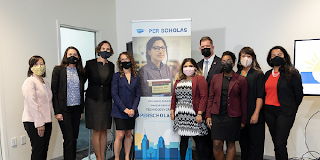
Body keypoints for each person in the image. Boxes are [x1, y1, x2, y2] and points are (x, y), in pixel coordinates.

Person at [206, 51, 247, 160]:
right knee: (216, 144)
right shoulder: (215, 78)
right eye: (223, 61)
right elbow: (211, 97)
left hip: (233, 116)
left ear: (233, 63)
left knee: (230, 143)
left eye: (228, 61)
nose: (225, 63)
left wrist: (243, 120)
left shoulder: (241, 79)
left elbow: (243, 101)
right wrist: (208, 116)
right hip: (217, 115)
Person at [264, 46, 303, 160]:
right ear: (270, 58)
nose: (276, 57)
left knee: (280, 143)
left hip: (284, 112)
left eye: (279, 54)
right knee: (276, 143)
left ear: (285, 56)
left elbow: (299, 95)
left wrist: (291, 110)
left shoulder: (292, 73)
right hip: (269, 112)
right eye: (273, 55)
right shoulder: (267, 74)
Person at [51, 46, 86, 160]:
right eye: (70, 54)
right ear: (66, 56)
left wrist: (81, 110)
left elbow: (81, 91)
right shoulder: (58, 70)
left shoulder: (80, 72)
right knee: (68, 138)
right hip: (64, 110)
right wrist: (57, 111)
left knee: (74, 138)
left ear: (78, 57)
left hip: (76, 109)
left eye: (75, 54)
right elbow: (54, 92)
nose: (72, 56)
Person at [171, 58, 208, 160]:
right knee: (183, 139)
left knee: (199, 140)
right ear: (182, 68)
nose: (188, 68)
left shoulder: (199, 79)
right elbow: (174, 97)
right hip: (181, 116)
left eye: (190, 66)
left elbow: (204, 97)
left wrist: (200, 113)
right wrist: (172, 111)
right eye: (185, 66)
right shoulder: (178, 81)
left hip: (195, 115)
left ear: (195, 67)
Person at [85, 40, 115, 160]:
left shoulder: (111, 65)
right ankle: (98, 158)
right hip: (93, 100)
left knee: (104, 130)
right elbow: (82, 80)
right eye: (103, 49)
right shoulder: (90, 64)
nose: (105, 51)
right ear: (99, 50)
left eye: (108, 49)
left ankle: (103, 157)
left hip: (107, 100)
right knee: (96, 130)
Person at [111, 52, 141, 160]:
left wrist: (133, 109)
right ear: (119, 62)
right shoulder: (116, 76)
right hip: (119, 110)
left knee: (128, 134)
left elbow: (138, 94)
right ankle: (117, 157)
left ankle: (127, 157)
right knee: (119, 135)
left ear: (131, 60)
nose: (125, 61)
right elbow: (114, 94)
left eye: (126, 59)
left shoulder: (136, 76)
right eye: (122, 59)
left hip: (132, 110)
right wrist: (125, 109)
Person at [236, 47, 265, 160]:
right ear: (239, 58)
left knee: (255, 146)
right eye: (243, 56)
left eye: (248, 56)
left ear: (253, 58)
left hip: (254, 115)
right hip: (241, 117)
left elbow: (260, 95)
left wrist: (256, 113)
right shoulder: (237, 74)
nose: (245, 58)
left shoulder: (258, 74)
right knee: (244, 146)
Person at [22, 56, 52, 160]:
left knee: (44, 150)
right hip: (34, 122)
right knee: (38, 151)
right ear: (31, 67)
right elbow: (32, 104)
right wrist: (39, 124)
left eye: (42, 63)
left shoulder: (45, 83)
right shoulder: (29, 81)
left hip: (47, 121)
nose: (40, 66)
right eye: (36, 64)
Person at [197, 36, 221, 160]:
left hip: (216, 107)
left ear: (213, 47)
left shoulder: (221, 63)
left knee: (215, 140)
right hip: (201, 107)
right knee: (202, 140)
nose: (205, 49)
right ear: (200, 48)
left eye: (208, 47)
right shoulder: (197, 65)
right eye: (203, 47)